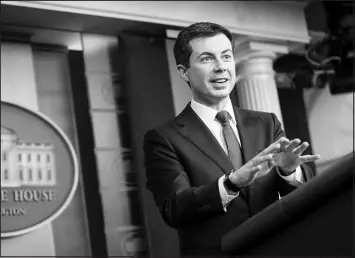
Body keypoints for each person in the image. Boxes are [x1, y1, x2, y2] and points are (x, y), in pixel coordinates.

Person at [143, 22, 321, 256]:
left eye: (226, 56)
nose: (220, 67)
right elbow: (175, 208)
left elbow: (301, 194)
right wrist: (231, 182)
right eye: (207, 59)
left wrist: (288, 172)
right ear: (184, 71)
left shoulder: (266, 122)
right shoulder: (164, 138)